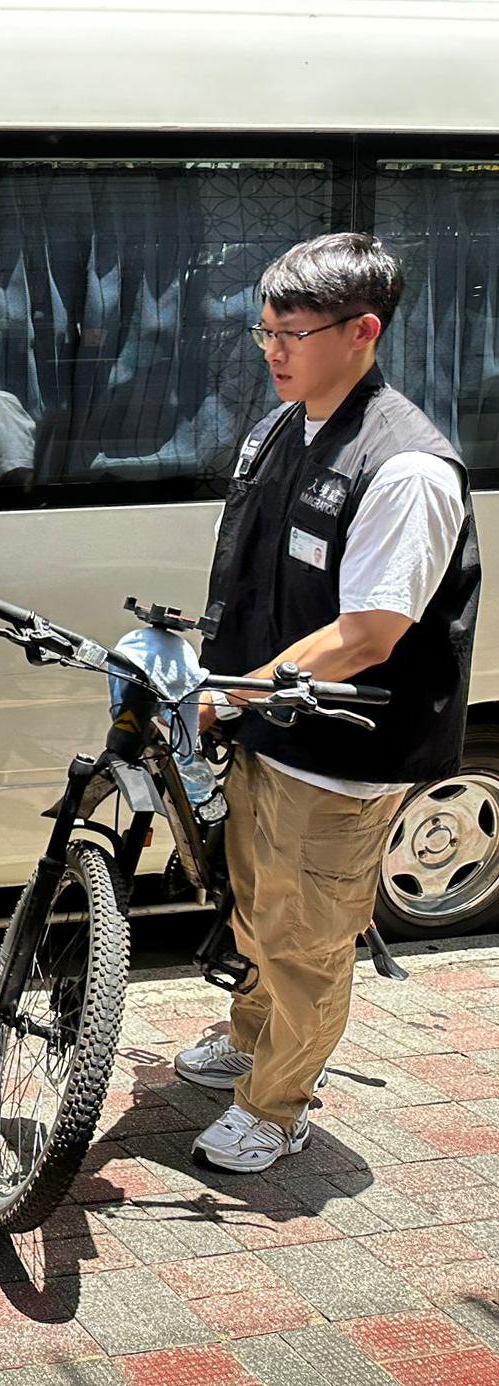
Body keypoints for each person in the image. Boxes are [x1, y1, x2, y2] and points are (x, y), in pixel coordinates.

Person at [179, 233, 480, 1173]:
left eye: (292, 332)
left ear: (362, 332)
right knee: (254, 906)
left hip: (343, 749)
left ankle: (275, 1106)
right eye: (262, 329)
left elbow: (366, 636)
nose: (271, 350)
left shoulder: (407, 468)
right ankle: (249, 1035)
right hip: (264, 724)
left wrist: (229, 692)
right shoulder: (279, 426)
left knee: (306, 937)